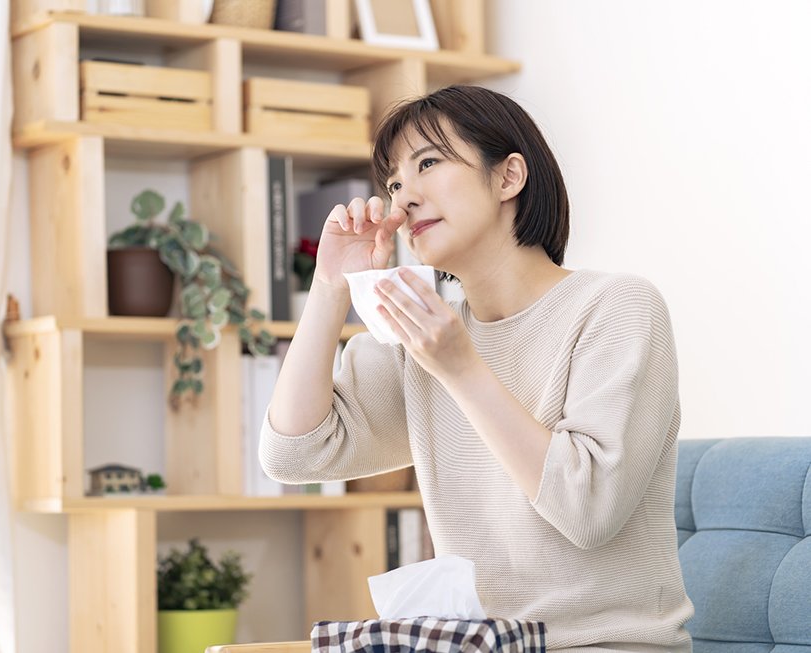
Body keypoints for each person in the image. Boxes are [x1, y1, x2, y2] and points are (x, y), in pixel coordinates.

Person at [259, 85, 693, 652]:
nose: (403, 201)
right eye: (393, 184)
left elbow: (587, 510)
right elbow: (294, 455)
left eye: (428, 164)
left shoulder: (617, 308)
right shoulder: (423, 339)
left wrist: (460, 369)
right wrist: (329, 286)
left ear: (509, 177)